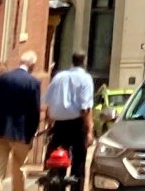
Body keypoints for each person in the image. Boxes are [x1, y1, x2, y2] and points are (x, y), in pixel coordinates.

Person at [0, 51, 45, 191]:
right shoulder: (33, 83)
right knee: (19, 167)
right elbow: (34, 112)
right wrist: (31, 134)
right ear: (32, 65)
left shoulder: (2, 78)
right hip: (21, 133)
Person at [43, 52, 97, 191]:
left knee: (57, 160)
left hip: (59, 124)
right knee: (78, 161)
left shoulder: (59, 77)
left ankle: (55, 186)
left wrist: (49, 123)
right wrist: (90, 129)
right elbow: (86, 109)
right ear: (84, 62)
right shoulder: (85, 79)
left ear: (72, 62)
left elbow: (47, 103)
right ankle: (76, 187)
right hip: (77, 123)